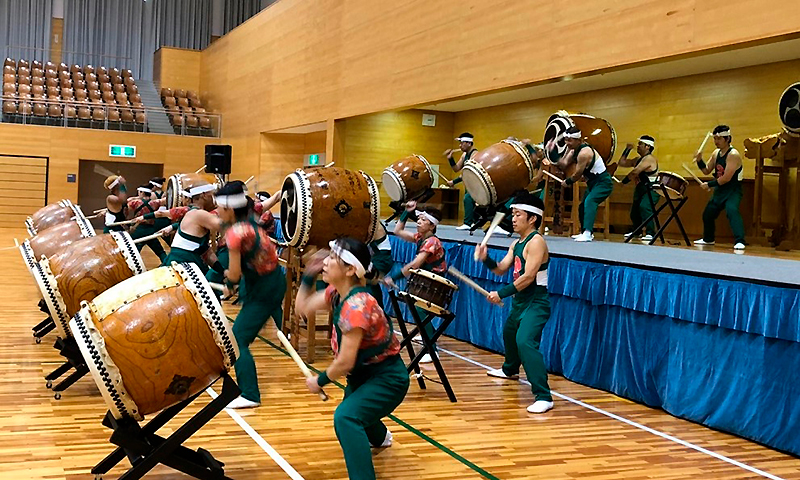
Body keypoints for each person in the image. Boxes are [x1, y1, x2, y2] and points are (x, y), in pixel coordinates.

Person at [296, 238, 408, 480]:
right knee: (355, 405)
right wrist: (308, 276)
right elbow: (302, 308)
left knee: (346, 417)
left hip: (387, 378)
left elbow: (345, 362)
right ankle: (381, 438)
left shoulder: (357, 306)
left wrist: (320, 381)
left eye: (332, 259)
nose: (325, 262)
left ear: (349, 269)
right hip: (363, 375)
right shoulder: (337, 293)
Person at [474, 190, 553, 414]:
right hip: (521, 301)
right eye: (513, 214)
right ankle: (510, 370)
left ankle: (544, 396)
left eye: (518, 215)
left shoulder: (536, 242)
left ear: (533, 218)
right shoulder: (516, 243)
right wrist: (486, 258)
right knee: (510, 332)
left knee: (525, 341)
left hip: (536, 302)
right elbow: (500, 269)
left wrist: (501, 294)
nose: (513, 219)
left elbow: (528, 277)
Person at [216, 183, 286, 409]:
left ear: (229, 209)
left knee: (237, 340)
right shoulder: (249, 223)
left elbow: (235, 274)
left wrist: (230, 279)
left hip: (265, 289)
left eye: (219, 207)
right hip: (266, 282)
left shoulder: (235, 233)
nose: (216, 211)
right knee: (240, 337)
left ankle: (250, 394)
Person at [390, 202, 446, 363]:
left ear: (431, 225)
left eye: (422, 220)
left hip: (435, 284)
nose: (418, 222)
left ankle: (432, 350)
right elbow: (397, 231)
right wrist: (406, 213)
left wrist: (393, 277)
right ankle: (430, 338)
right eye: (418, 219)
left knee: (420, 312)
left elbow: (415, 264)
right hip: (426, 281)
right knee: (419, 312)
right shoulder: (421, 238)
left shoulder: (432, 241)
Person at [133, 183, 220, 272]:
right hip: (184, 263)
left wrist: (221, 271)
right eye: (213, 194)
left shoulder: (189, 211)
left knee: (157, 252)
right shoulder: (196, 213)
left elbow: (206, 251)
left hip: (186, 260)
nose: (215, 198)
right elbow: (225, 226)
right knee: (158, 252)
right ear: (204, 195)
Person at [548, 126, 614, 242]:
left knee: (590, 201)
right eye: (565, 140)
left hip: (603, 182)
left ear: (579, 140)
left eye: (570, 140)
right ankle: (585, 232)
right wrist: (552, 151)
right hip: (593, 183)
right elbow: (563, 164)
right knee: (581, 206)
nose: (567, 143)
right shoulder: (572, 149)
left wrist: (567, 182)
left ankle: (588, 233)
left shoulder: (584, 153)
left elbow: (577, 174)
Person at [692, 125, 746, 250]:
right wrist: (700, 160)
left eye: (719, 139)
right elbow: (706, 170)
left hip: (733, 189)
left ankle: (740, 240)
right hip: (721, 189)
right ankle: (708, 239)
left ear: (727, 139)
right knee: (708, 213)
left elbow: (726, 178)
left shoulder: (733, 155)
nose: (716, 142)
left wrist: (709, 185)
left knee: (732, 210)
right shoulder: (716, 153)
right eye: (715, 139)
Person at [618, 135, 659, 241]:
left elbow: (635, 172)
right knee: (634, 211)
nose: (638, 146)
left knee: (645, 207)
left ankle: (651, 233)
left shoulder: (649, 159)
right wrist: (627, 150)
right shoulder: (638, 160)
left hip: (652, 189)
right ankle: (637, 231)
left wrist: (624, 182)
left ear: (648, 147)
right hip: (641, 188)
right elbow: (621, 163)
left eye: (641, 144)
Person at [445, 132, 479, 230]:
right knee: (468, 201)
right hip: (469, 184)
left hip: (476, 184)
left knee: (467, 199)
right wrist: (450, 159)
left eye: (462, 143)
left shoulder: (475, 155)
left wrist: (454, 182)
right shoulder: (465, 155)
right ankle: (472, 222)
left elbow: (467, 173)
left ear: (469, 143)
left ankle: (468, 223)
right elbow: (456, 168)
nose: (460, 145)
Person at [127, 185, 167, 262]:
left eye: (139, 192)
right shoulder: (155, 203)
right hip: (150, 231)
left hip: (138, 230)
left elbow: (127, 203)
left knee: (132, 253)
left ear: (142, 192)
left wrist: (137, 198)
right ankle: (167, 264)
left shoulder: (135, 203)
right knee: (160, 252)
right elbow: (165, 200)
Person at [365, 221, 392, 308]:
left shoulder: (375, 225)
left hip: (382, 259)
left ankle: (377, 309)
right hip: (378, 257)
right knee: (370, 281)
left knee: (368, 280)